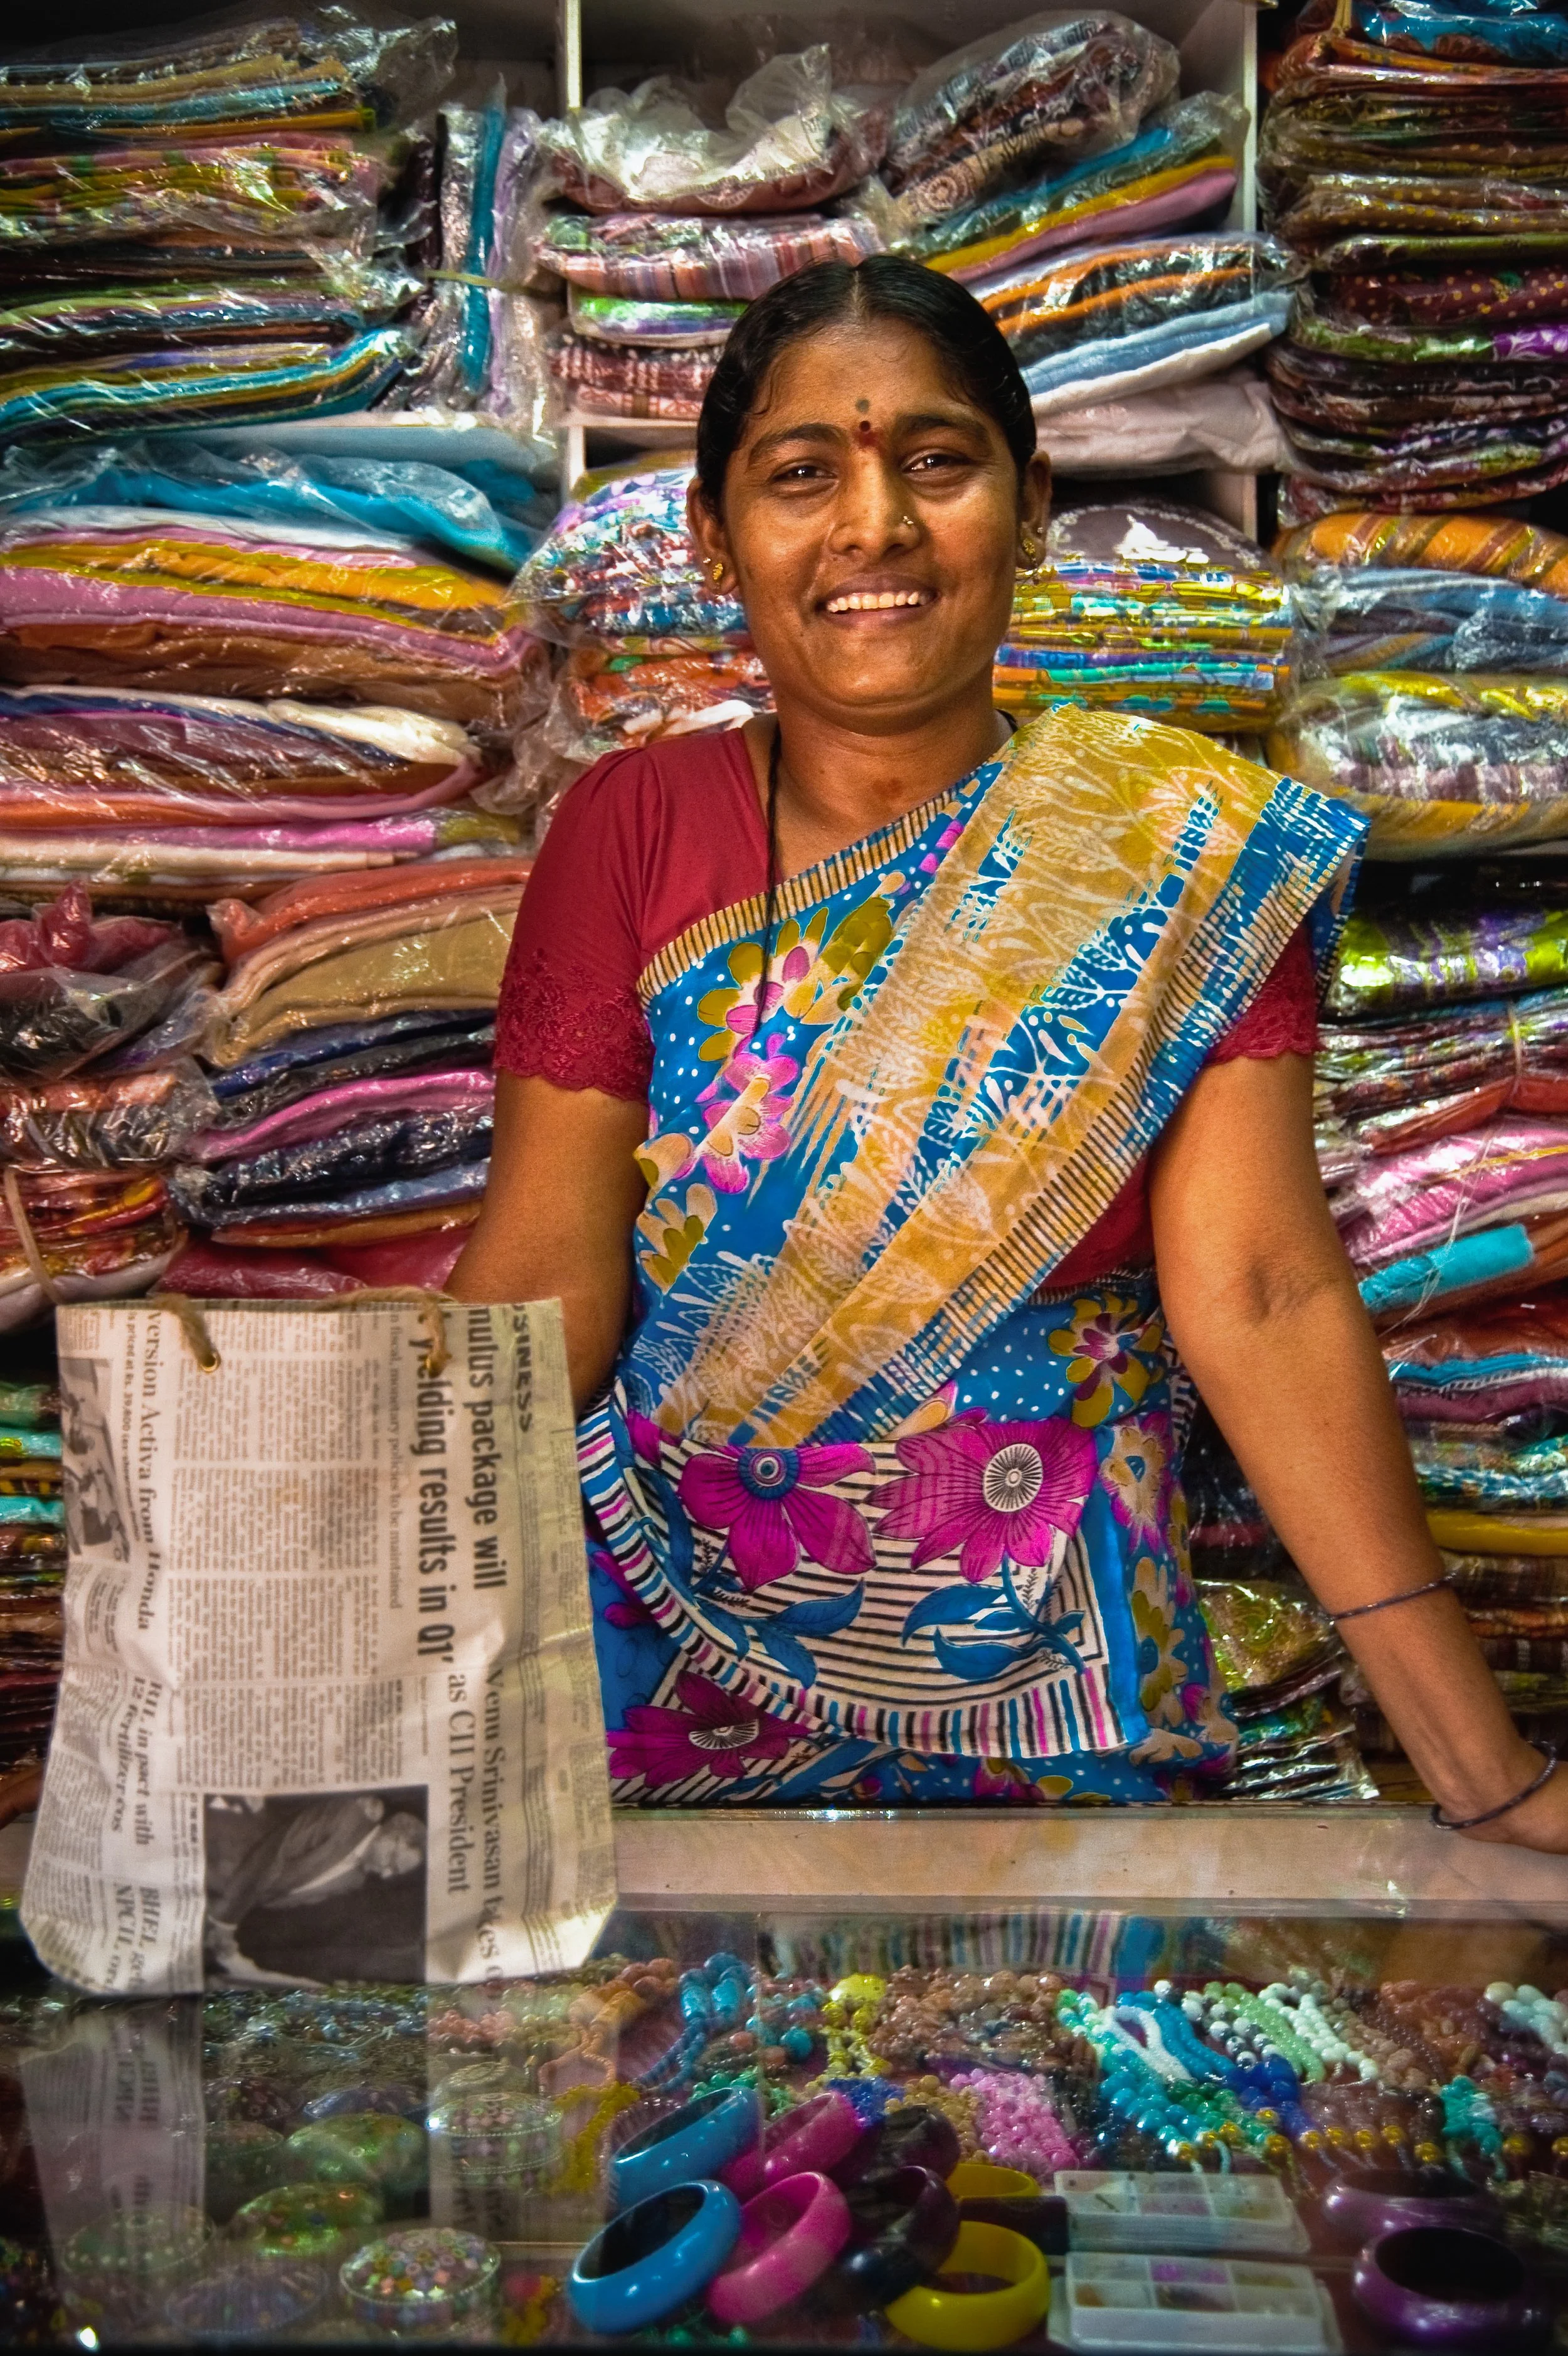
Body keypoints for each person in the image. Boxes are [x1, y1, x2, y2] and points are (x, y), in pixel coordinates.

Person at [453, 256, 1567, 1850]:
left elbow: (1257, 1290)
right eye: (799, 475)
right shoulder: (629, 829)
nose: (873, 530)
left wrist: (1487, 1773)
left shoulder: (1173, 846)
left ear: (1028, 504)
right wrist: (339, 1637)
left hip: (1072, 1698)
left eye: (933, 461)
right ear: (712, 538)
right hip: (658, 1689)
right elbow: (543, 1293)